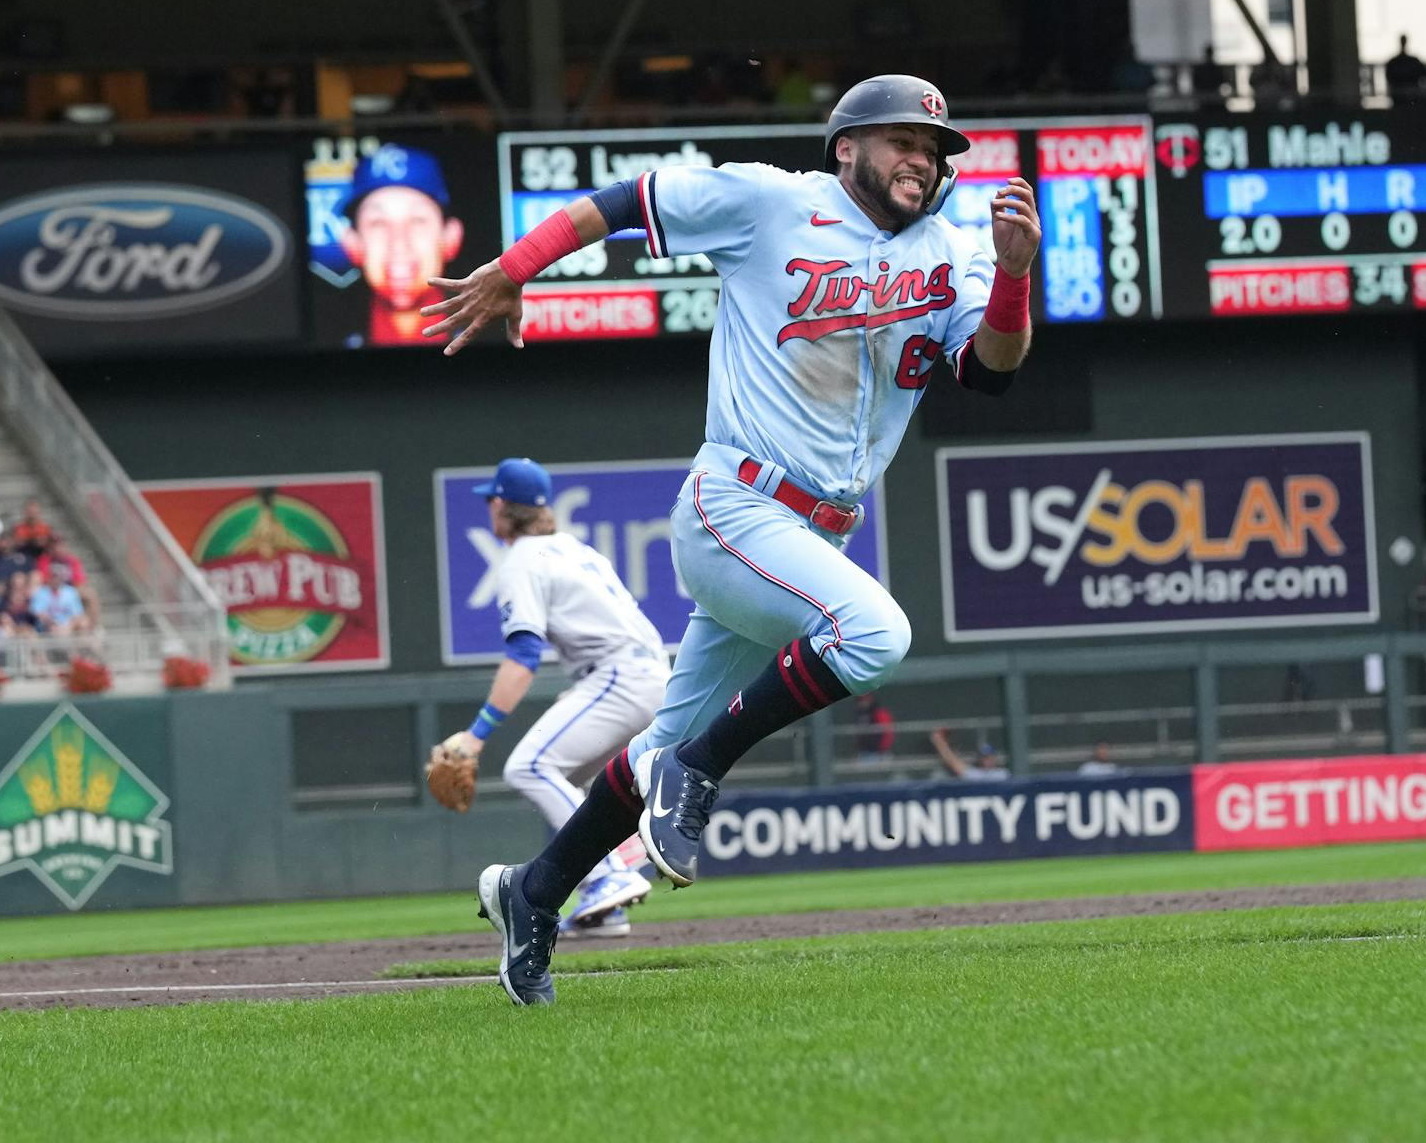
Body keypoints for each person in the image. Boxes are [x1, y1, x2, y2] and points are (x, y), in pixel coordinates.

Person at [428, 74, 1039, 1005]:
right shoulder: (771, 202)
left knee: (650, 751)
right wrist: (514, 271)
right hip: (737, 505)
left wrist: (1014, 278)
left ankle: (535, 894)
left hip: (815, 529)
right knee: (874, 635)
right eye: (903, 140)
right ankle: (701, 773)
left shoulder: (953, 248)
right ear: (848, 146)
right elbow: (627, 200)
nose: (923, 157)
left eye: (935, 146)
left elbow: (988, 375)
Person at [432, 459, 669, 938]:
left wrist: (475, 737)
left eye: (490, 501)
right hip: (650, 675)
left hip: (618, 676)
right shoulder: (573, 549)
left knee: (530, 767)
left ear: (500, 506)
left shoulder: (521, 560)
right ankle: (607, 903)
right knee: (572, 788)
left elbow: (523, 656)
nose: (488, 509)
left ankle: (611, 874)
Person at [335, 145, 464, 347]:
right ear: (353, 244)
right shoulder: (335, 336)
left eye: (417, 221)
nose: (399, 245)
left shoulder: (488, 329)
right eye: (378, 223)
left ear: (451, 238)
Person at [932, 727, 1011, 780]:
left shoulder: (1002, 774)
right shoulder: (975, 774)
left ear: (994, 758)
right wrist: (939, 742)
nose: (987, 760)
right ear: (979, 759)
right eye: (984, 757)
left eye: (989, 757)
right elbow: (952, 762)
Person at [1385, 35, 1426, 101]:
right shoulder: (1413, 61)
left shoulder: (1393, 62)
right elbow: (1424, 75)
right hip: (1409, 94)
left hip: (1402, 94)